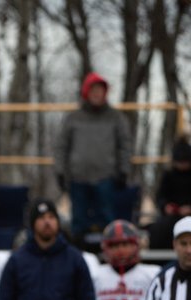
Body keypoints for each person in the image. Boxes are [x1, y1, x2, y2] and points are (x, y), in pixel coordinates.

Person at [55, 72, 133, 242]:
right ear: (86, 92)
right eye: (93, 90)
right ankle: (79, 257)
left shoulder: (116, 117)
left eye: (101, 91)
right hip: (78, 178)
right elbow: (61, 146)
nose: (97, 94)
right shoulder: (73, 118)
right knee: (78, 222)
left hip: (106, 177)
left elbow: (125, 145)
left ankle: (111, 255)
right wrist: (60, 171)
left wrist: (124, 170)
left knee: (108, 220)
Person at [148, 139, 191, 250]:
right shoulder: (168, 176)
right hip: (172, 216)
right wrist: (166, 206)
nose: (182, 165)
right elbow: (160, 196)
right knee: (159, 229)